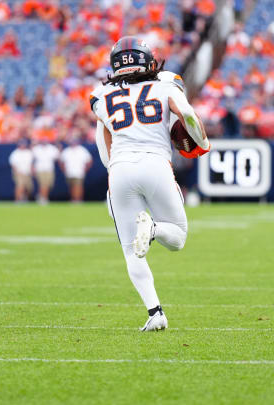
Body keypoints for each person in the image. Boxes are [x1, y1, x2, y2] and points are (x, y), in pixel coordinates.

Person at [89, 37, 210, 331]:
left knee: (131, 250)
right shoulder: (166, 83)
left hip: (119, 169)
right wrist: (202, 143)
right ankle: (154, 229)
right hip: (155, 164)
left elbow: (102, 141)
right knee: (178, 237)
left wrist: (112, 174)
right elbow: (189, 115)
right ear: (149, 61)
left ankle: (154, 312)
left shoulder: (100, 95)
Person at [59, 137, 92, 203]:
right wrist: (64, 170)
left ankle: (78, 199)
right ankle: (73, 199)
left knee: (78, 186)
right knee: (71, 186)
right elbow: (61, 161)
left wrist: (85, 169)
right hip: (69, 172)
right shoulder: (67, 151)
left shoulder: (82, 150)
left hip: (79, 172)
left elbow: (89, 160)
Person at [31, 138, 60, 204]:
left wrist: (59, 148)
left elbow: (57, 157)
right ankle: (43, 198)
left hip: (49, 169)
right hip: (40, 169)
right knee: (43, 184)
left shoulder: (52, 148)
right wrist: (32, 169)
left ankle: (40, 196)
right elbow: (32, 159)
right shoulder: (36, 148)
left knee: (49, 185)